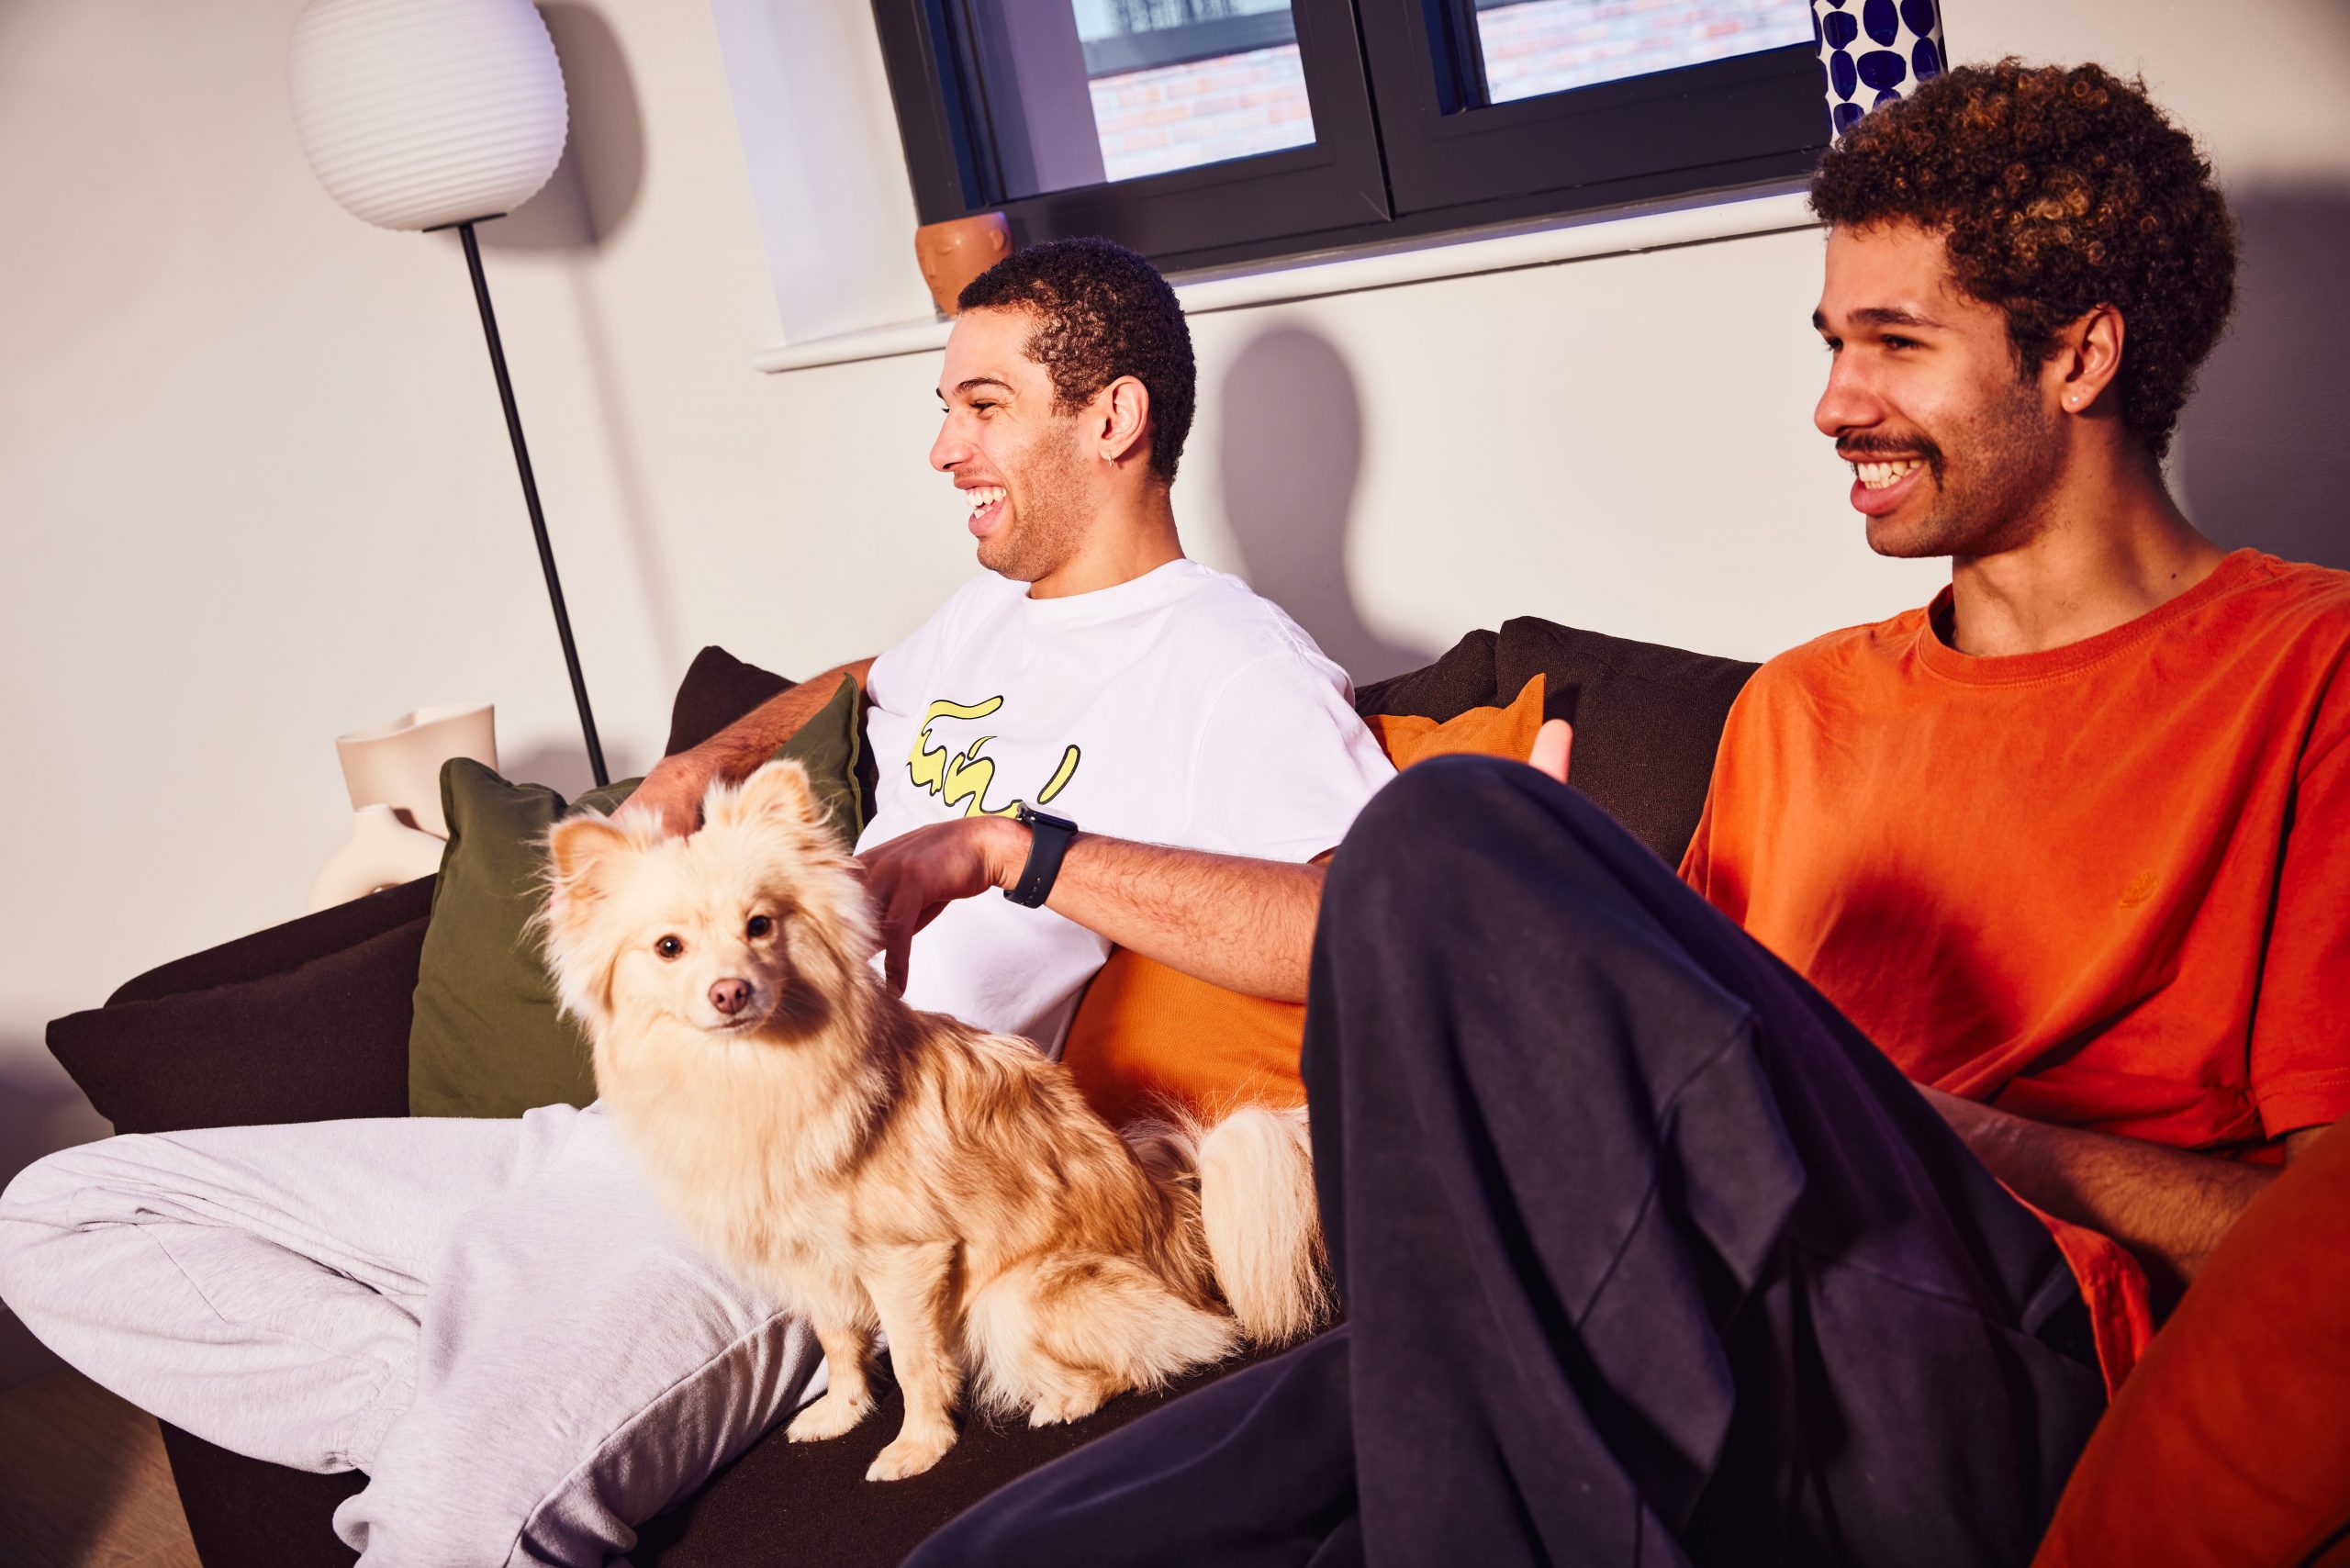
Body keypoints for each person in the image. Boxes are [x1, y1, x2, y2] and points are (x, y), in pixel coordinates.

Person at [892, 62, 2350, 1567]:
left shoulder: (2309, 678)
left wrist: (1944, 1128)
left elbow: (2311, 1247)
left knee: (1444, 830)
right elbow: (1680, 1100)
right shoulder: (1802, 707)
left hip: (1997, 1347)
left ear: (2082, 356)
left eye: (1896, 345)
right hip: (1710, 1307)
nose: (1835, 404)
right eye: (1834, 344)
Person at [0, 238, 1393, 1566]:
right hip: (611, 1139)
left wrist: (1004, 849)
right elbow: (858, 680)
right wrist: (697, 765)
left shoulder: (1228, 662)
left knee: (454, 1527)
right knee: (61, 1215)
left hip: (814, 1190)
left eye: (984, 404)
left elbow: (1353, 930)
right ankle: (443, 1398)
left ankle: (474, 1434)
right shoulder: (987, 617)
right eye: (944, 406)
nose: (943, 448)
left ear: (1115, 417)